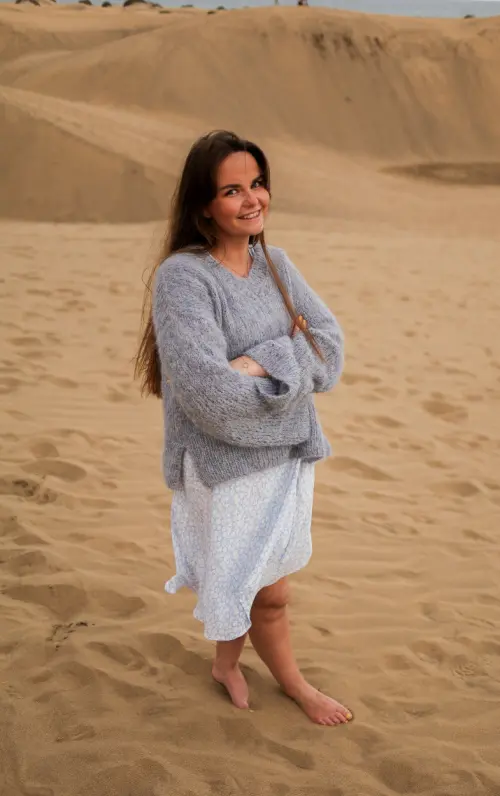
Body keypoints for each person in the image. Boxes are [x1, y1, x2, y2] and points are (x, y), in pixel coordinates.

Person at [135, 130, 352, 727]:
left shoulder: (275, 265)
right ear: (204, 205)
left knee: (260, 585)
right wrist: (290, 369)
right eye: (232, 190)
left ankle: (232, 665)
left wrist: (258, 362)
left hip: (286, 456)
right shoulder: (184, 278)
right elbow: (210, 397)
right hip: (224, 465)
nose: (252, 199)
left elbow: (330, 352)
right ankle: (286, 682)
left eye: (257, 184)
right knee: (257, 587)